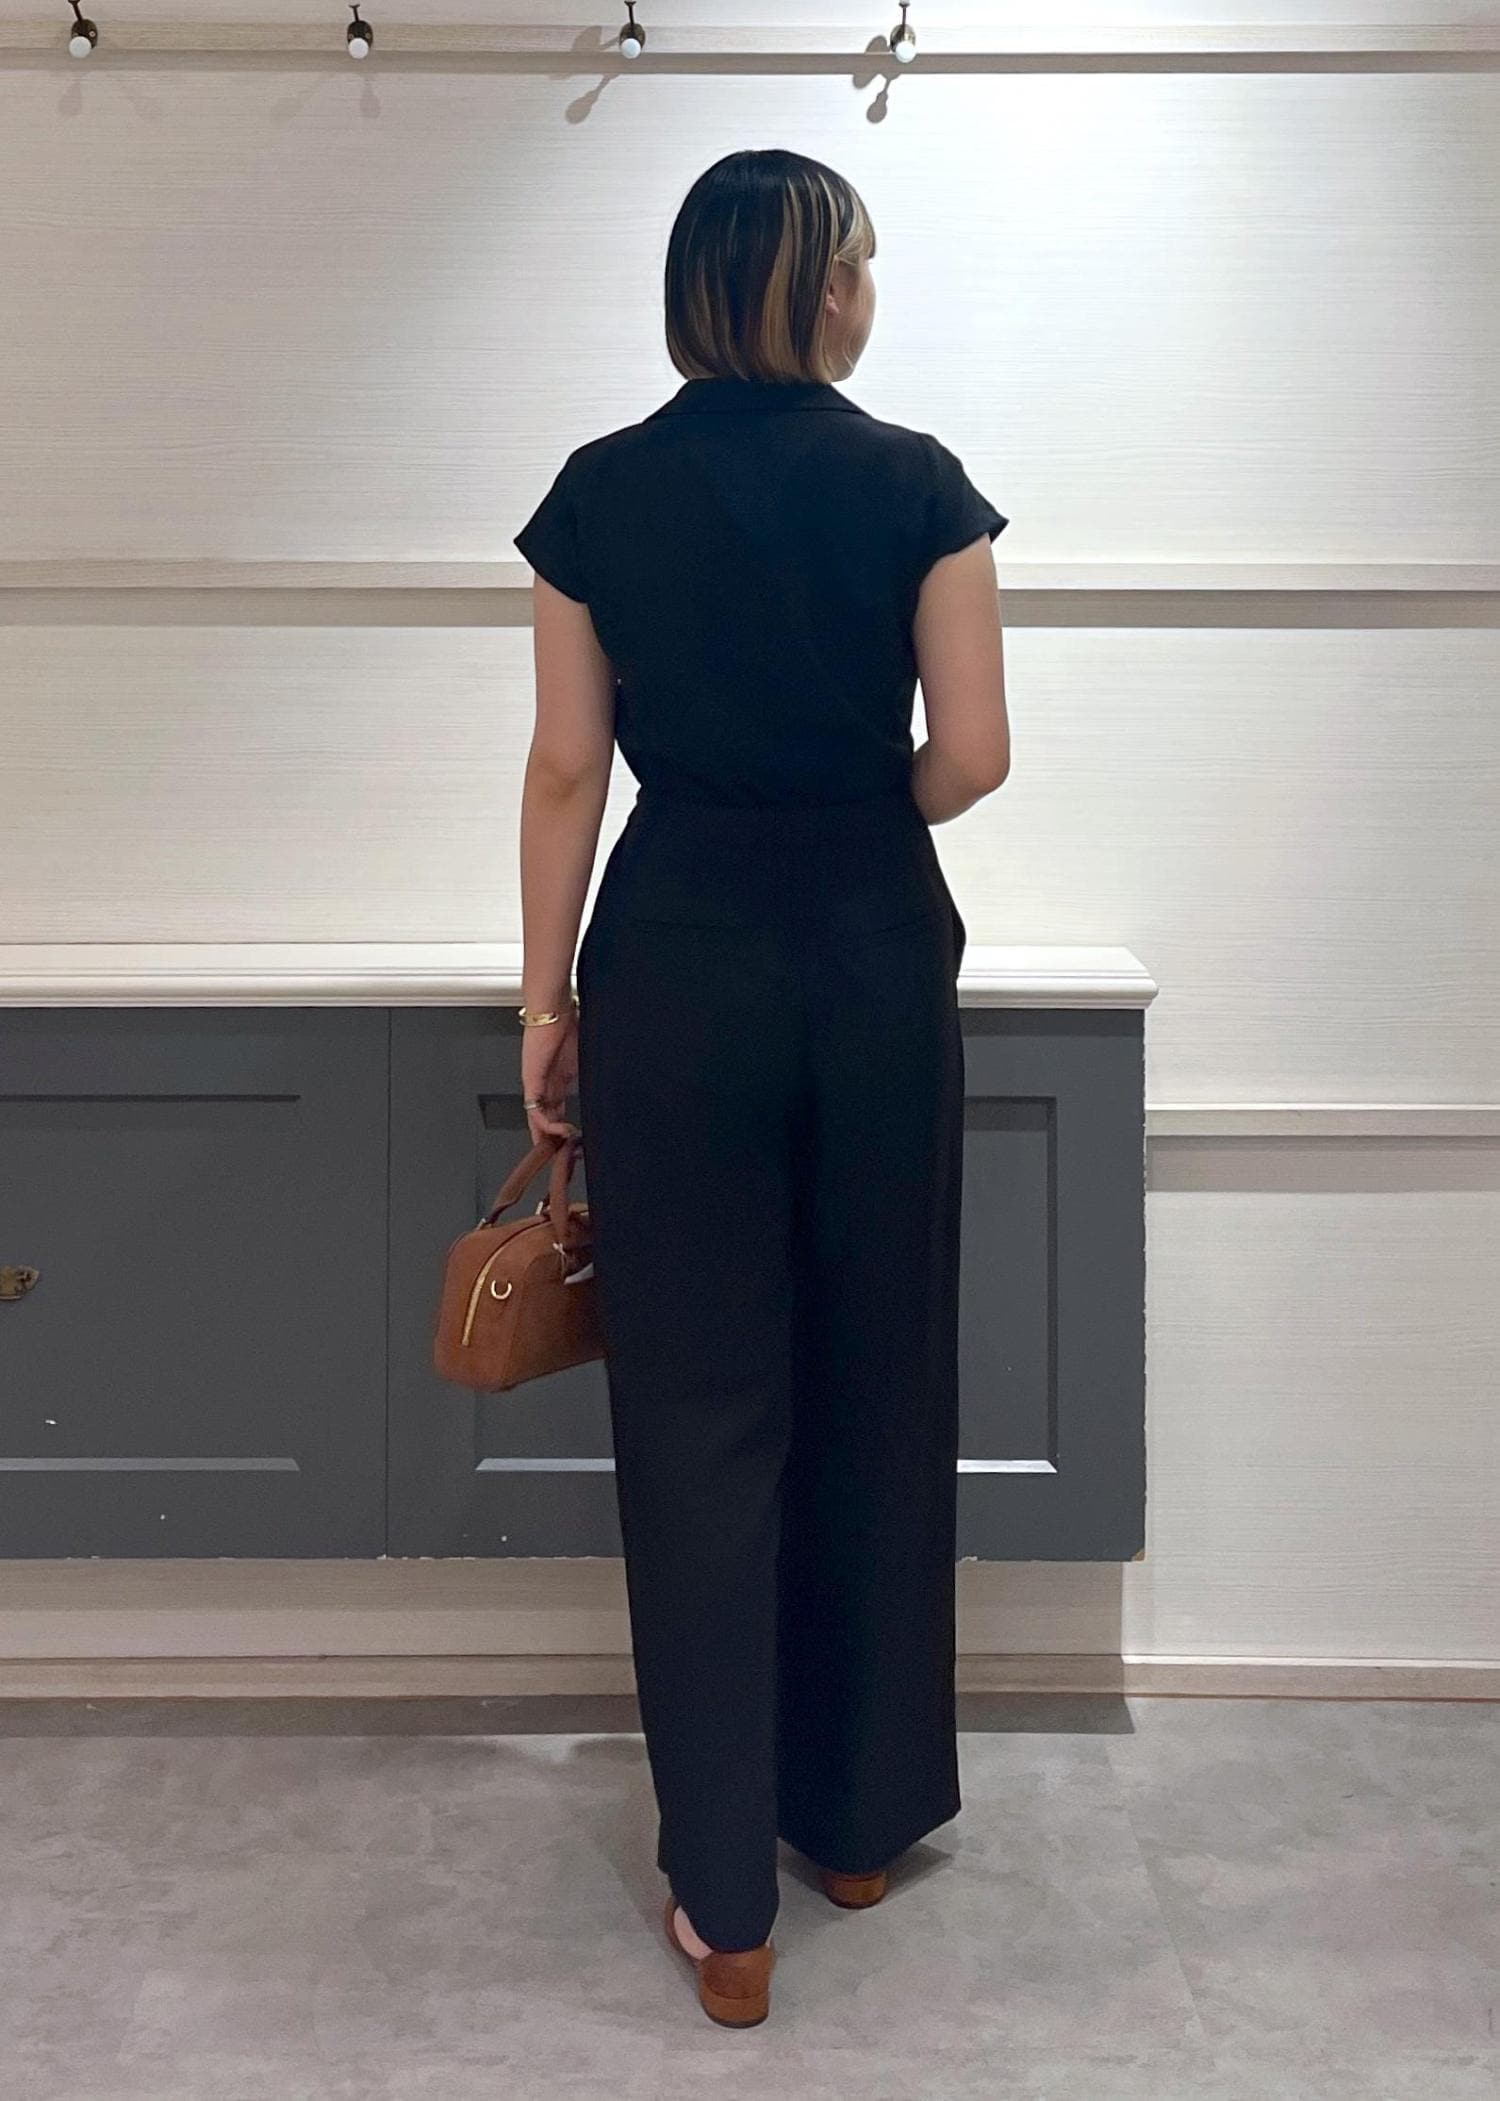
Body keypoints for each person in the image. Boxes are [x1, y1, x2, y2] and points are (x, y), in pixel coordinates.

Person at [512, 146, 1010, 2027]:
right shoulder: (920, 485)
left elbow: (569, 769)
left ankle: (726, 1901)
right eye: (856, 263)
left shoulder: (597, 495)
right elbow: (975, 753)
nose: (869, 292)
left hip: (680, 960)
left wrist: (544, 1000)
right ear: (815, 286)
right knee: (879, 1370)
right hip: (872, 953)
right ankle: (856, 1823)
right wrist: (860, 808)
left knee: (698, 1410)